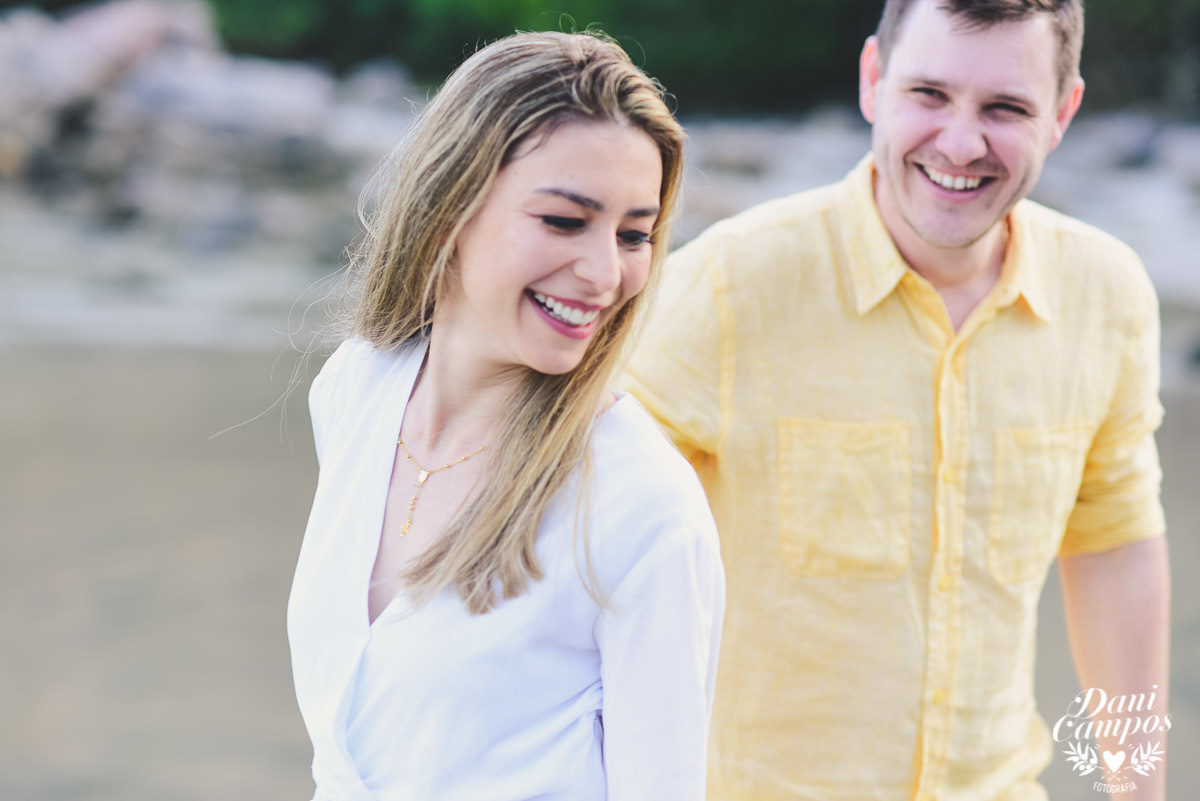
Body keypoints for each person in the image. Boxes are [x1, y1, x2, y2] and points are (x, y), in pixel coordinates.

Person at [623, 1, 1170, 799]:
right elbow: (577, 537)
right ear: (873, 79)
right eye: (929, 94)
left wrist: (1138, 790)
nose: (959, 142)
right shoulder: (728, 286)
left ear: (1063, 114)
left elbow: (1114, 545)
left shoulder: (1108, 293)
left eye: (1005, 108)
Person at [287, 31, 724, 801]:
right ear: (449, 204)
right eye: (564, 221)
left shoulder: (641, 506)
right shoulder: (356, 390)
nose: (605, 273)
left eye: (634, 235)